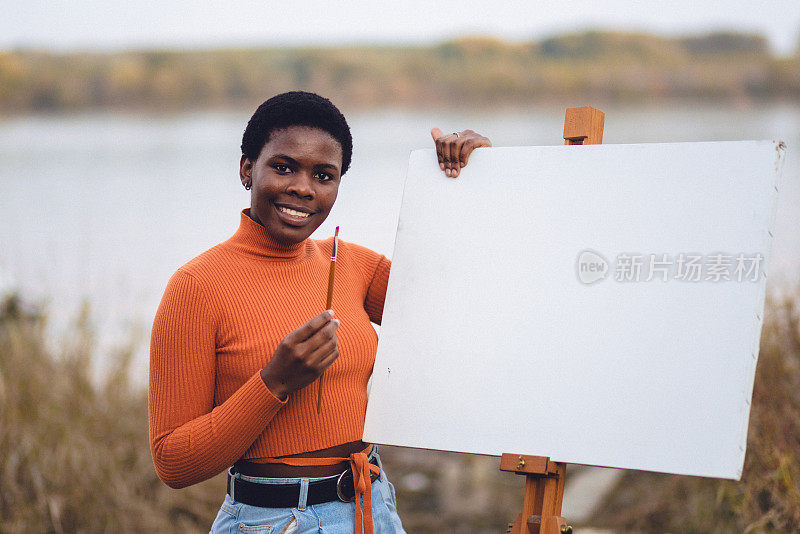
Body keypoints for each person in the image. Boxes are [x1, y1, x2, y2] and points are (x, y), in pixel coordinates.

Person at [148, 91, 492, 534]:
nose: (303, 188)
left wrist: (475, 184)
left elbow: (466, 306)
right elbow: (174, 462)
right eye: (283, 167)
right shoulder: (196, 286)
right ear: (246, 168)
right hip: (274, 521)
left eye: (324, 175)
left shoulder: (351, 265)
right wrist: (274, 382)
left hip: (375, 509)